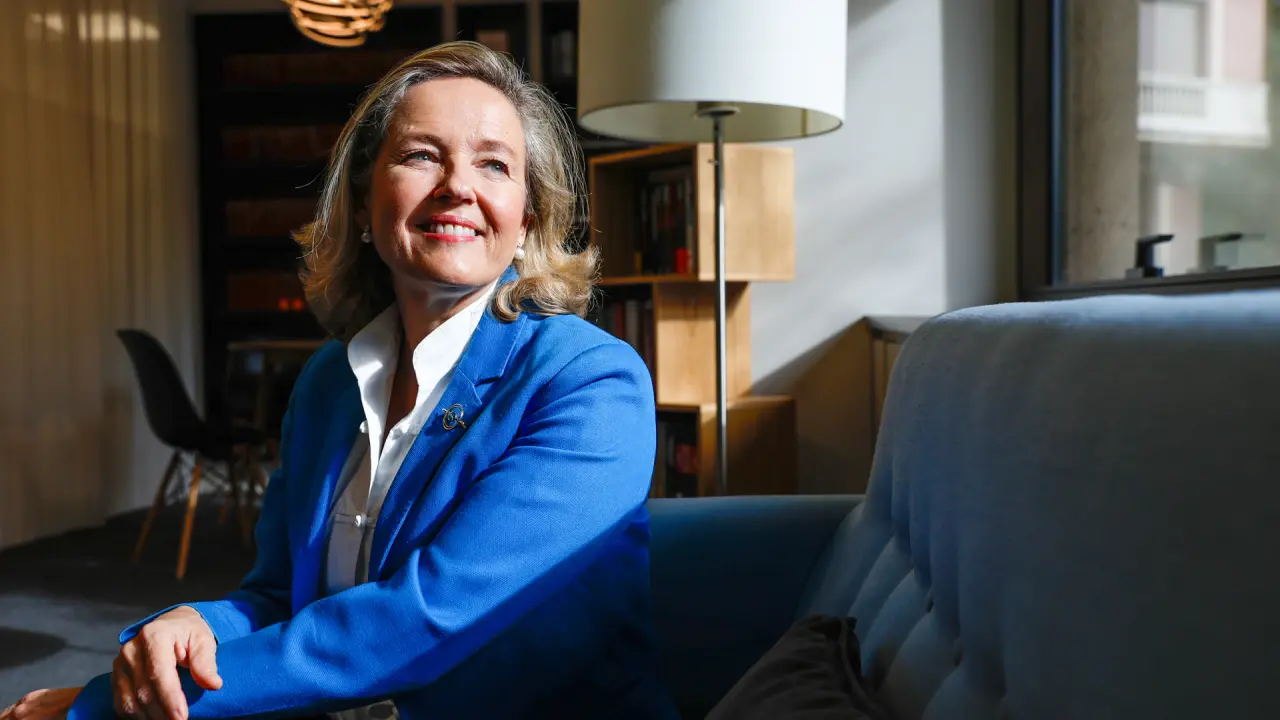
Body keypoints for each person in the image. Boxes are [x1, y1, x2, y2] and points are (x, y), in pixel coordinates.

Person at [4, 41, 677, 720]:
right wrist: (197, 624)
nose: (458, 186)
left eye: (494, 164)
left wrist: (108, 707)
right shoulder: (328, 380)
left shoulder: (590, 381)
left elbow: (423, 618)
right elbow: (278, 597)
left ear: (527, 218)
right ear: (361, 203)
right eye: (421, 155)